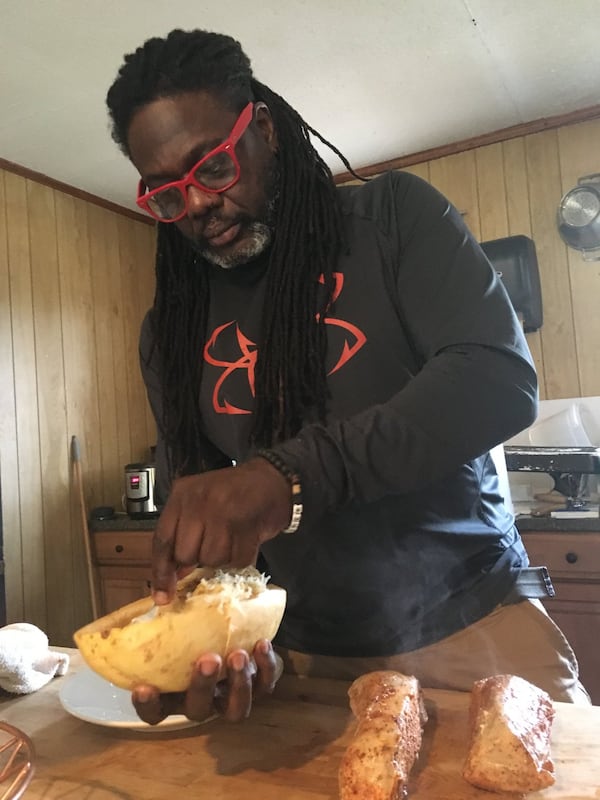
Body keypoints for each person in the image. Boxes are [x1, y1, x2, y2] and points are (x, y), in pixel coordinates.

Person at [105, 28, 589, 723]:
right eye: (168, 194)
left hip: (473, 634)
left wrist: (286, 476)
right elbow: (218, 527)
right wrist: (225, 645)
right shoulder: (170, 334)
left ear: (263, 130)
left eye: (211, 167)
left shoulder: (393, 219)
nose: (198, 204)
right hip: (302, 661)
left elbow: (496, 378)